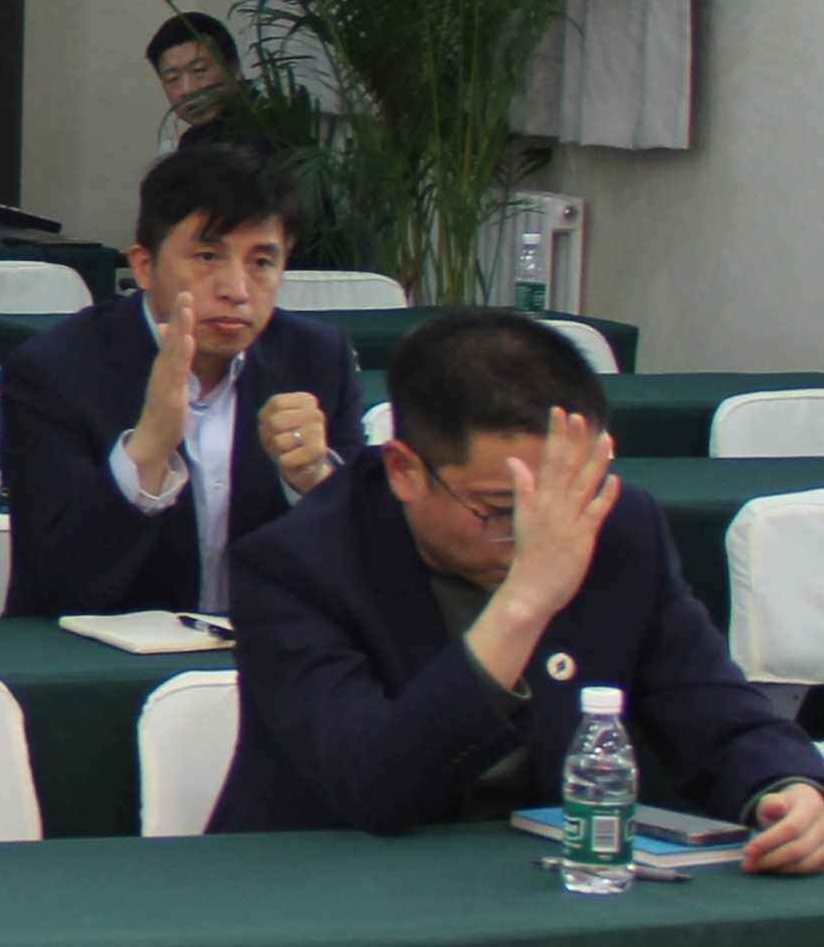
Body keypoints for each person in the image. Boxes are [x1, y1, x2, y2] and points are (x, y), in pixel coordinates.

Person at [213, 311, 824, 860]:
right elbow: (374, 786)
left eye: (565, 492)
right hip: (339, 890)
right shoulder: (294, 566)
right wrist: (526, 599)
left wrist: (787, 788)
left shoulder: (613, 526)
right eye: (502, 509)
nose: (538, 533)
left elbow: (713, 709)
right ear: (404, 470)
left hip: (551, 882)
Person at [1, 142, 362, 618]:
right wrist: (148, 448)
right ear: (144, 266)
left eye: (261, 263)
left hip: (267, 654)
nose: (236, 290)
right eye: (208, 256)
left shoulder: (317, 361)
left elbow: (368, 576)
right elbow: (52, 587)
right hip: (104, 654)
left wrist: (314, 481)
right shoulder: (54, 371)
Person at [149, 10, 246, 151]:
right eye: (172, 79)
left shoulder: (271, 130)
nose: (188, 89)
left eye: (199, 70)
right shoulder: (190, 144)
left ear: (234, 68)